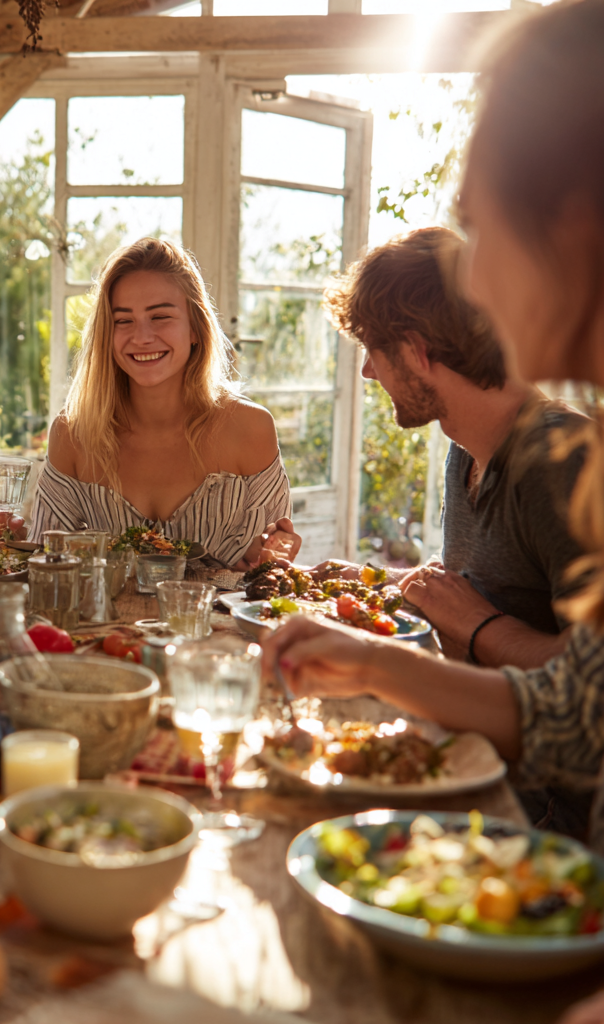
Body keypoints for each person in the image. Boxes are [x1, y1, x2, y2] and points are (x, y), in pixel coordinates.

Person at [264, 0, 604, 850]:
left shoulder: (567, 463)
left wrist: (465, 630)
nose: (475, 281)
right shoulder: (468, 454)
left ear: (576, 223)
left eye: (484, 227)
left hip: (536, 827)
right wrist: (375, 643)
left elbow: (572, 710)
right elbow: (579, 705)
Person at [321, 227, 587, 670]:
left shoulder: (563, 464)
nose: (368, 371)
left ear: (415, 350)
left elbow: (592, 676)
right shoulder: (465, 449)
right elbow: (468, 592)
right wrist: (364, 579)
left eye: (372, 349)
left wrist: (477, 626)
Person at [0, 238, 301, 569]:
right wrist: (7, 534)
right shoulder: (72, 434)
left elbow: (270, 568)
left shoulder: (250, 429)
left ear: (195, 329)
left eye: (160, 316)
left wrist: (270, 554)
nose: (141, 337)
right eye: (123, 320)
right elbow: (49, 563)